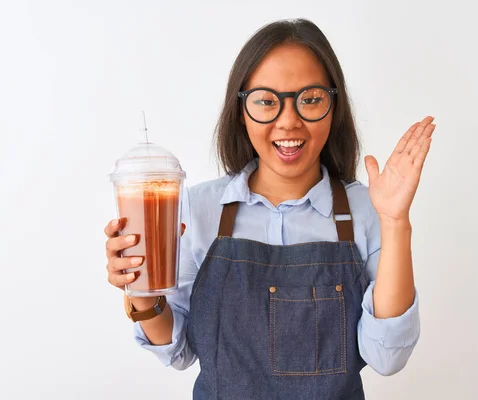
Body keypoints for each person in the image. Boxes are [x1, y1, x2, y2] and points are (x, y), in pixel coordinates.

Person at [104, 18, 435, 400]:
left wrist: (395, 221)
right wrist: (140, 290)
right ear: (241, 110)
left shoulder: (368, 209)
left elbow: (386, 357)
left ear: (334, 106)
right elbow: (178, 350)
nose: (289, 121)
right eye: (266, 101)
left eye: (310, 99)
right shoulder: (197, 208)